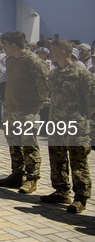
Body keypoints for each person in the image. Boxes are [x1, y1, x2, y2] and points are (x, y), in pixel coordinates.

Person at [40, 39, 95, 213]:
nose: (50, 53)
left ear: (63, 52)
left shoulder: (81, 73)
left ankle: (81, 198)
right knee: (57, 159)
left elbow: (91, 103)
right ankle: (62, 191)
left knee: (78, 163)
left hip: (75, 127)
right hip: (56, 124)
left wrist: (81, 121)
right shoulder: (54, 74)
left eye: (53, 50)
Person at [0, 31, 49, 194]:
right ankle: (17, 173)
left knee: (29, 145)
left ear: (13, 45)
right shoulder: (11, 59)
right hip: (10, 108)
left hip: (27, 110)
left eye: (5, 44)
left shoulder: (32, 60)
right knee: (14, 144)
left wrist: (40, 103)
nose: (3, 48)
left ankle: (32, 179)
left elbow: (43, 83)